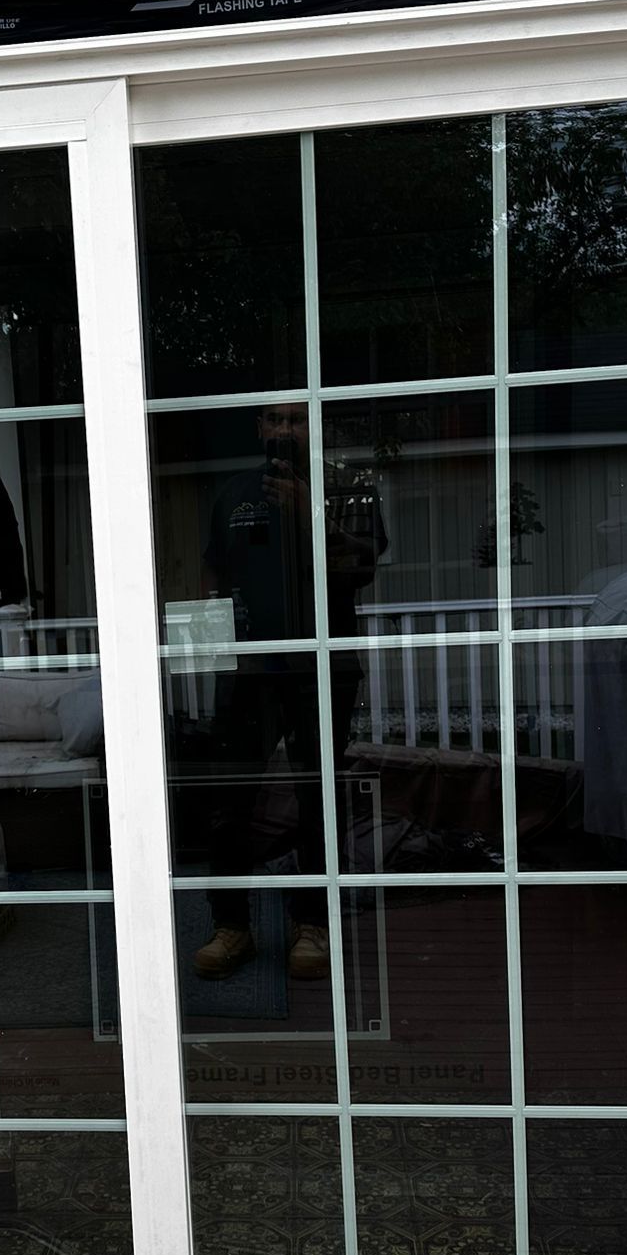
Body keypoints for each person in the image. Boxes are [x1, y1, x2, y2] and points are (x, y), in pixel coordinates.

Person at [191, 404, 385, 982]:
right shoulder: (232, 492)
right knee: (231, 801)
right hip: (249, 673)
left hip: (322, 669)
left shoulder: (350, 489)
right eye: (273, 420)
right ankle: (232, 928)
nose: (283, 431)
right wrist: (207, 644)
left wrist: (312, 516)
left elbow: (363, 568)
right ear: (258, 428)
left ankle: (313, 925)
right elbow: (212, 575)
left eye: (295, 421)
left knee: (317, 796)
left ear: (314, 427)